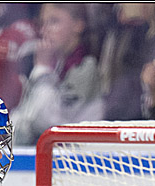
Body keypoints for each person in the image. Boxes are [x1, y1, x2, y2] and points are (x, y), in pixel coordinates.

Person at [12, 3, 103, 145]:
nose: (44, 30)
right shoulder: (56, 66)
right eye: (42, 23)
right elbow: (23, 119)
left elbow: (49, 123)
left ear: (78, 25)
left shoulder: (86, 68)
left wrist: (42, 70)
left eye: (54, 21)